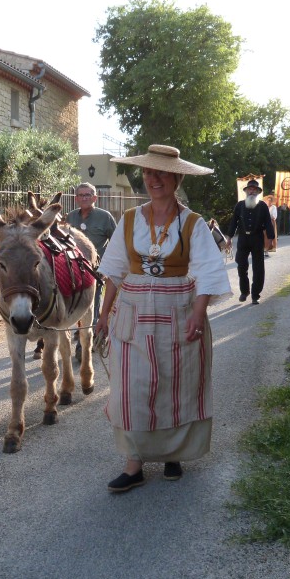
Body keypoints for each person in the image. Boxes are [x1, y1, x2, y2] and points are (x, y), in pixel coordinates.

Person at [95, 144, 232, 493]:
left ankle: (173, 454)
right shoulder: (129, 221)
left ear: (176, 177)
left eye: (162, 173)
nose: (154, 179)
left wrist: (198, 315)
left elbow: (207, 272)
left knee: (176, 385)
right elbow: (113, 271)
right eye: (149, 173)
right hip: (133, 316)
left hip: (179, 314)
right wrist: (103, 315)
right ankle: (133, 464)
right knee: (132, 388)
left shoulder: (193, 224)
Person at [65, 183, 117, 360]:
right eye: (81, 195)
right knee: (72, 305)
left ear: (95, 198)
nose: (84, 197)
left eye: (88, 194)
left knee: (91, 305)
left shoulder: (105, 217)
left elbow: (116, 242)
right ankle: (79, 332)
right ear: (76, 199)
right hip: (71, 272)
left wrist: (107, 267)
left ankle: (83, 343)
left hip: (94, 271)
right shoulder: (70, 217)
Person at [226, 179, 275, 305]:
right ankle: (244, 291)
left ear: (258, 192)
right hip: (243, 239)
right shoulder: (239, 205)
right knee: (241, 265)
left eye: (254, 189)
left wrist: (270, 239)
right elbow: (233, 223)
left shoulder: (263, 206)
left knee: (258, 268)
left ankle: (255, 294)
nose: (252, 191)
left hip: (257, 239)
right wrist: (229, 237)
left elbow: (268, 224)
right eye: (250, 189)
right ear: (246, 191)